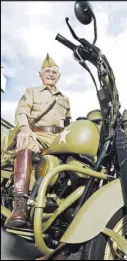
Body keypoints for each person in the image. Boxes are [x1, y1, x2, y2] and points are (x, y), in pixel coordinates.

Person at [5, 53, 71, 228]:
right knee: (25, 143)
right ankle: (19, 205)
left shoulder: (65, 99)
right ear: (40, 75)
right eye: (47, 71)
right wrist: (25, 129)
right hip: (37, 135)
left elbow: (69, 123)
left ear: (59, 76)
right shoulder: (31, 92)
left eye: (54, 72)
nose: (51, 74)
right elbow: (21, 111)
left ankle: (61, 201)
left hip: (59, 138)